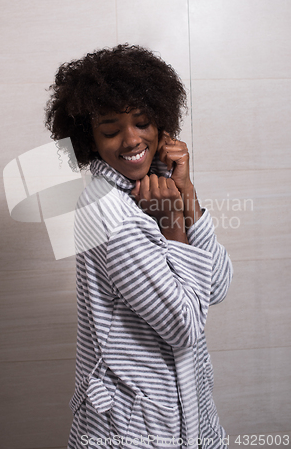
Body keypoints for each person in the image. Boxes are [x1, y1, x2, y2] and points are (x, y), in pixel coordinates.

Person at [45, 44, 232, 449]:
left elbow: (215, 286)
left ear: (161, 125)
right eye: (111, 130)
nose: (130, 140)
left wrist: (186, 192)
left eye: (143, 122)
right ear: (89, 140)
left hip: (187, 413)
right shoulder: (106, 210)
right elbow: (184, 325)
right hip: (132, 430)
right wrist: (170, 222)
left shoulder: (158, 186)